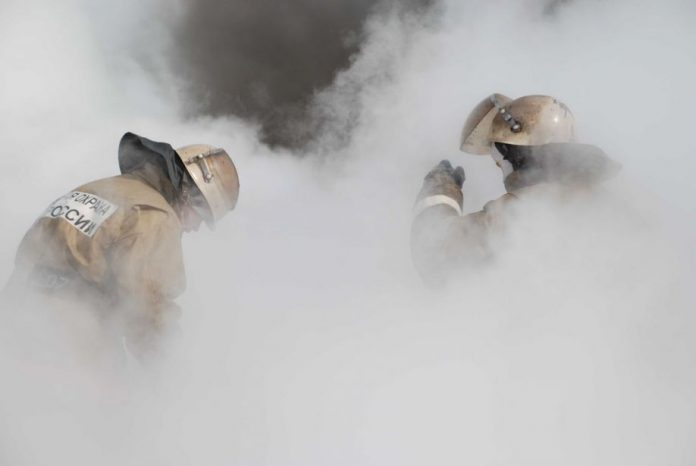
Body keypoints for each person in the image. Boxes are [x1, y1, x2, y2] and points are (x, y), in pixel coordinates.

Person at [4, 132, 240, 360]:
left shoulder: (97, 189)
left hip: (15, 311)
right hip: (70, 332)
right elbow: (147, 309)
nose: (196, 227)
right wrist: (174, 369)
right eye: (202, 216)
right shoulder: (156, 217)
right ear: (189, 196)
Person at [411, 94, 620, 283]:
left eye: (498, 159)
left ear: (516, 153)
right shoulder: (615, 205)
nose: (499, 167)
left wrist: (439, 190)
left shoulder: (527, 208)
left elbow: (434, 252)